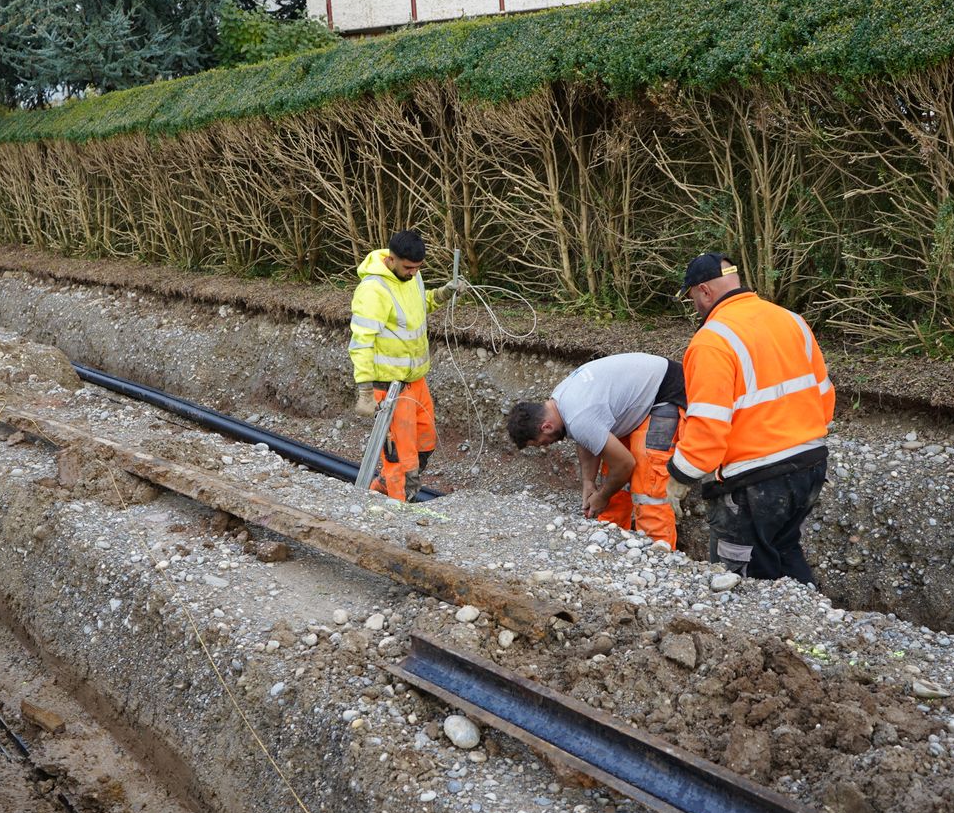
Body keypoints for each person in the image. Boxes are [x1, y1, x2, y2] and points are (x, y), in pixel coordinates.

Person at [667, 253, 834, 584]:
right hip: (809, 466)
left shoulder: (712, 340)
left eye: (692, 298)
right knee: (784, 550)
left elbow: (708, 427)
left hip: (754, 481)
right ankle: (813, 626)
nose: (695, 306)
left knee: (740, 579)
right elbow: (824, 397)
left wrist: (679, 476)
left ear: (704, 291)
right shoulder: (791, 320)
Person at [506, 353, 685, 549]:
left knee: (647, 484)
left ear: (546, 427)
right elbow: (586, 439)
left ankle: (659, 553)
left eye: (541, 443)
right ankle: (613, 540)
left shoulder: (578, 417)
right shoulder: (559, 400)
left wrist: (602, 496)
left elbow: (626, 464)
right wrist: (588, 483)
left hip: (666, 391)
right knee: (612, 476)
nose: (546, 445)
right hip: (638, 398)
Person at [348, 229, 465, 501]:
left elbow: (418, 306)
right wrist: (365, 390)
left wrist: (444, 294)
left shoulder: (413, 277)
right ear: (392, 259)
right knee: (402, 461)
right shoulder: (373, 290)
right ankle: (395, 515)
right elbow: (361, 341)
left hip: (416, 382)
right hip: (390, 389)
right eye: (409, 267)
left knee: (425, 443)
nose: (413, 272)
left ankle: (380, 490)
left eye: (418, 268)